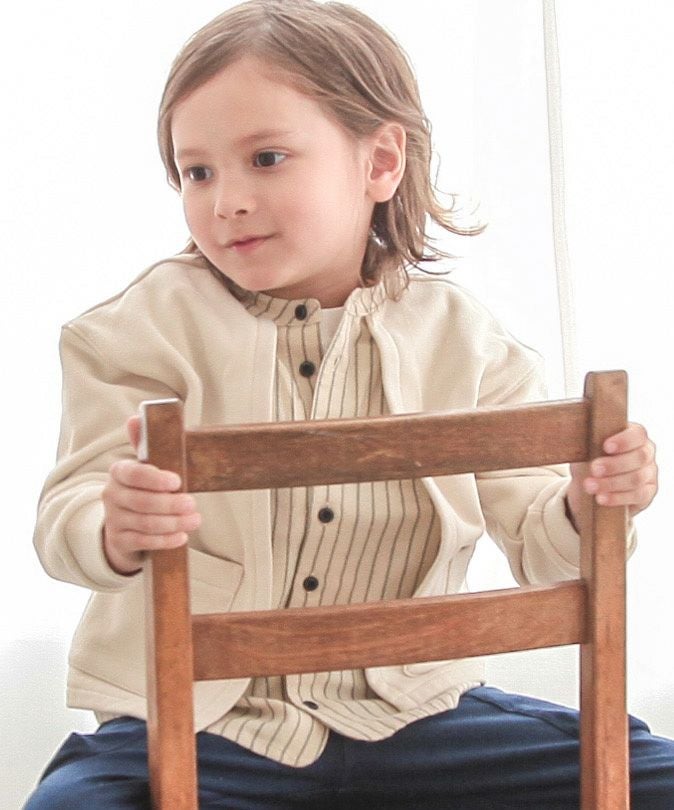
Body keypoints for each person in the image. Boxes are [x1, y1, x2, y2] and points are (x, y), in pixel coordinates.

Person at [26, 1, 667, 807]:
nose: (226, 200)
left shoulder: (467, 341)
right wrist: (112, 526)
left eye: (266, 158)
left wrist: (588, 502)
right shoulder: (134, 332)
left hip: (416, 714)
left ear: (381, 163)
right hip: (196, 720)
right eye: (197, 172)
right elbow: (69, 514)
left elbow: (546, 549)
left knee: (654, 776)